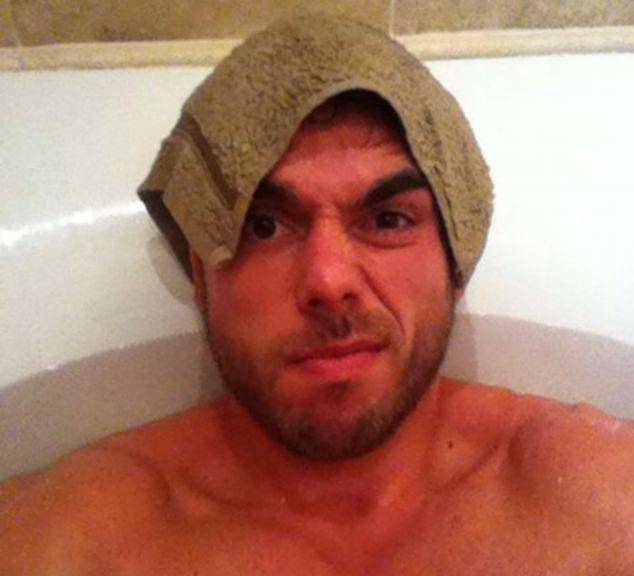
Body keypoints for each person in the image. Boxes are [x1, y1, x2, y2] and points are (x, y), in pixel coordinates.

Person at [1, 15, 632, 576]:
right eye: (264, 226)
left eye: (388, 219)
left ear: (456, 257)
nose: (329, 282)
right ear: (199, 270)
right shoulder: (80, 538)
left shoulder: (595, 500)